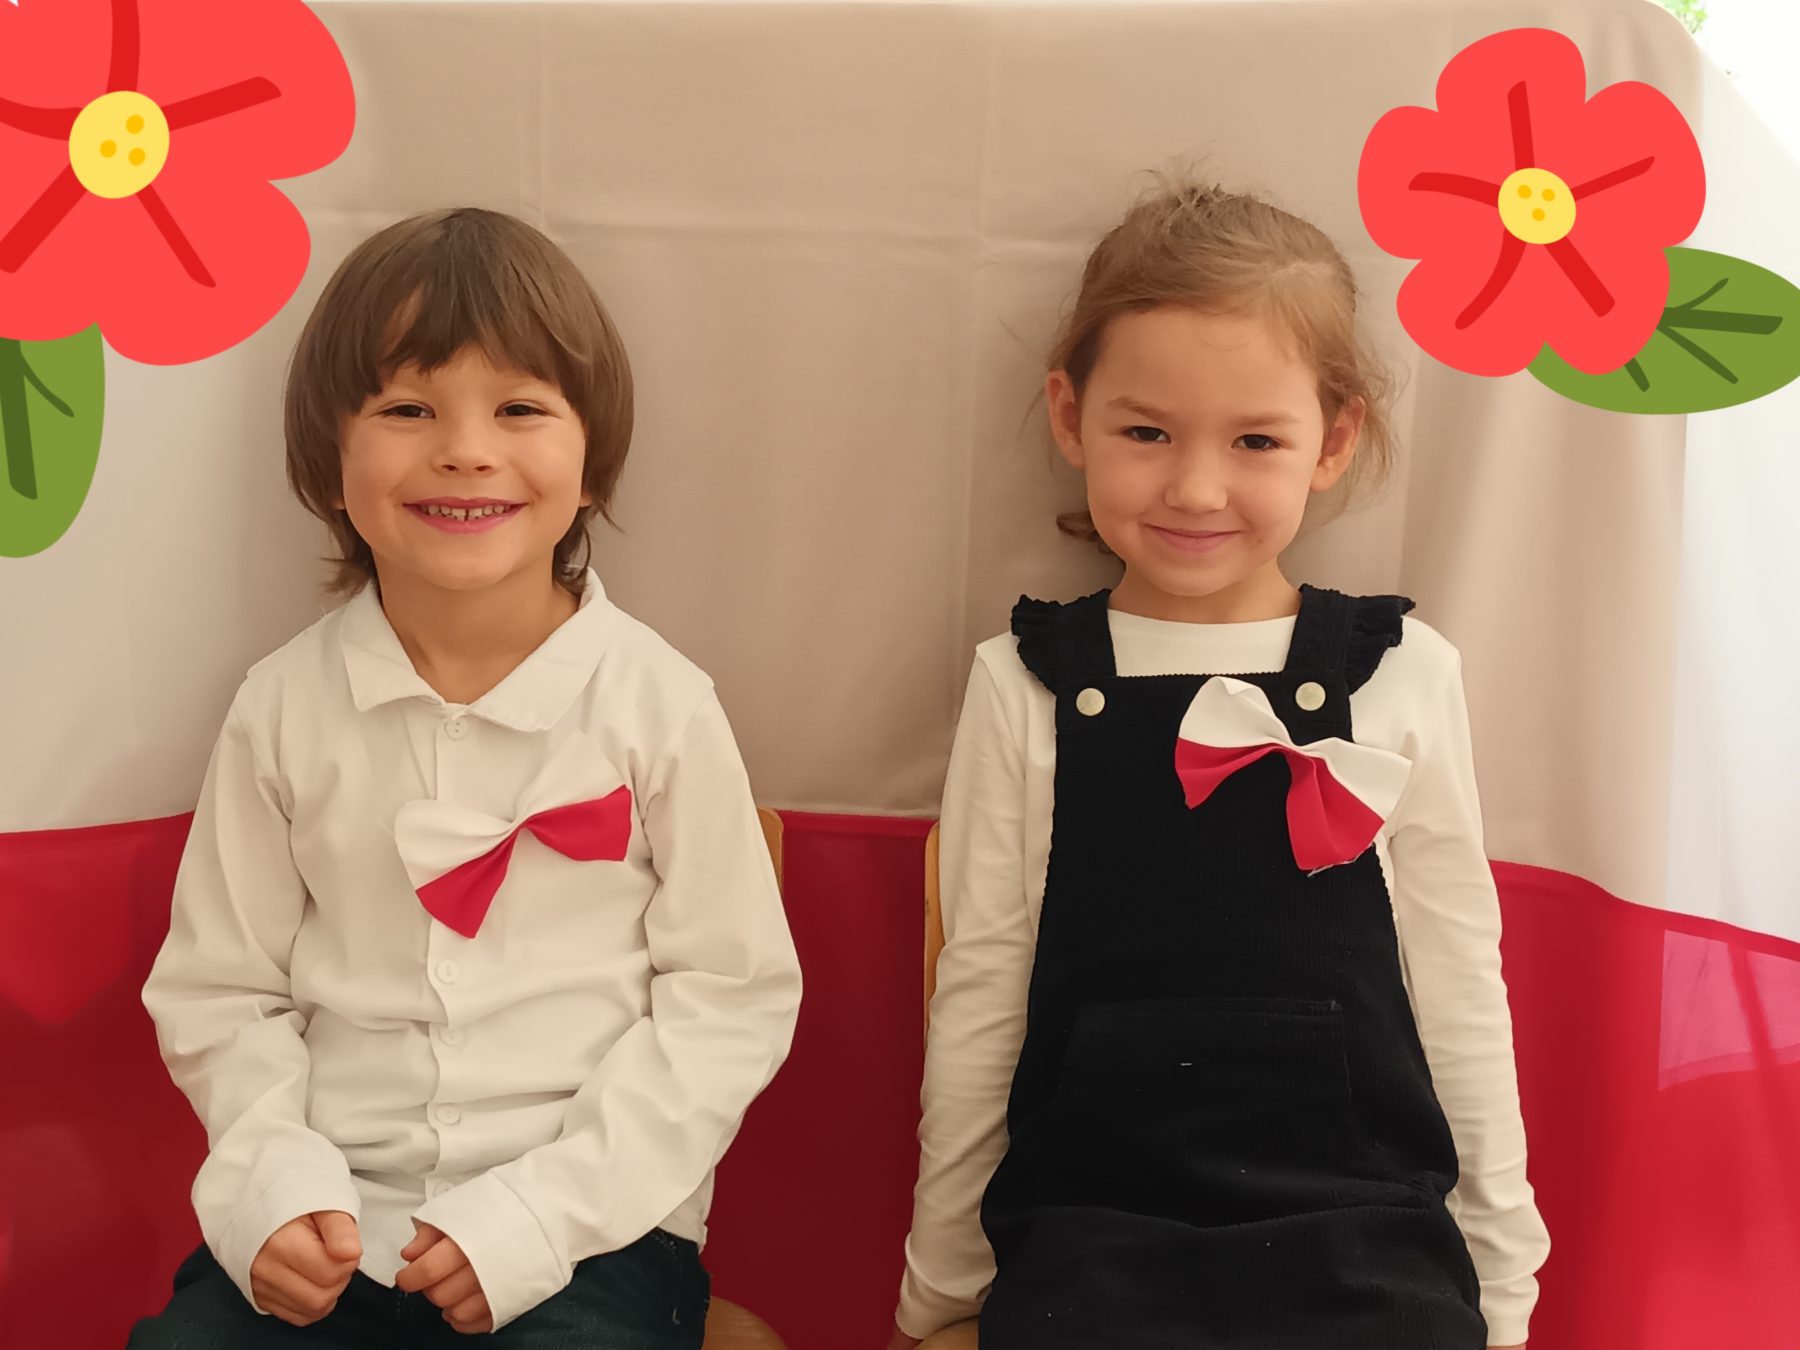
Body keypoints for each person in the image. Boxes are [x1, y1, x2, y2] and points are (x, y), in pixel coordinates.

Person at [890, 175, 1550, 1350]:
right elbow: (983, 996)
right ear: (1070, 415)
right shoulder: (1025, 683)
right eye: (1146, 432)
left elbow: (1458, 989)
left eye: (1256, 440)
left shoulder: (1402, 676)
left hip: (1366, 1240)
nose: (1196, 488)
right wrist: (943, 1288)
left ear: (1333, 440)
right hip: (1091, 1234)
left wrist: (1502, 1298)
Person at [132, 207, 802, 1348]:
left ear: (591, 461)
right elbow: (220, 992)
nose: (466, 450)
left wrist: (544, 1212)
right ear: (328, 462)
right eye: (408, 409)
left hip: (589, 1233)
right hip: (334, 1218)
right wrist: (276, 1187)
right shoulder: (279, 707)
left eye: (520, 409)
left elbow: (728, 1002)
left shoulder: (661, 704)